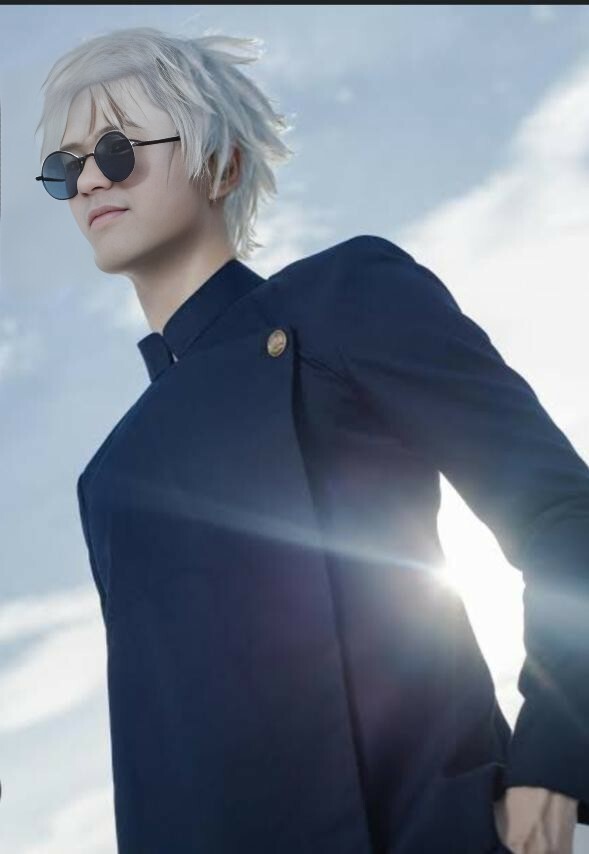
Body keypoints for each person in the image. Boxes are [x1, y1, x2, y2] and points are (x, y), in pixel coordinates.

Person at [35, 25, 588, 854]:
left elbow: (560, 514)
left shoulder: (344, 298)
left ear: (221, 165)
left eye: (116, 151)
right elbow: (164, 753)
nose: (87, 181)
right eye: (64, 167)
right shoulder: (109, 477)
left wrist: (552, 760)